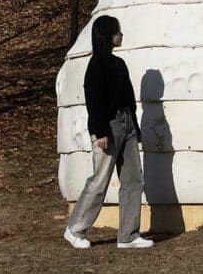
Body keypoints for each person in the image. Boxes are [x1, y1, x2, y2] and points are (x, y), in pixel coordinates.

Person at [63, 15, 153, 249]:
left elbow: (129, 99)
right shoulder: (96, 65)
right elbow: (94, 101)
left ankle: (128, 235)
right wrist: (100, 131)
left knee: (134, 179)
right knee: (100, 180)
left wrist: (135, 127)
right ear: (106, 35)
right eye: (117, 31)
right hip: (108, 126)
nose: (121, 35)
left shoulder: (119, 64)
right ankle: (75, 229)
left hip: (127, 124)